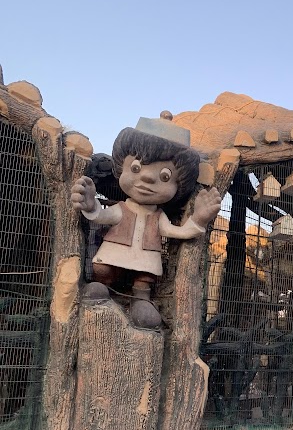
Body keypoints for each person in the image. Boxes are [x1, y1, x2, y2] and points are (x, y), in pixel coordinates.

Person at [70, 113, 221, 328]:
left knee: (143, 279)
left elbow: (177, 232)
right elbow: (101, 216)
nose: (148, 178)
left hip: (146, 260)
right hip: (114, 254)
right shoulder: (121, 209)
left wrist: (198, 219)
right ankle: (101, 285)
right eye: (136, 168)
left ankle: (141, 298)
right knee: (103, 270)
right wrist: (90, 205)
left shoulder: (159, 217)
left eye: (165, 177)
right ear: (121, 167)